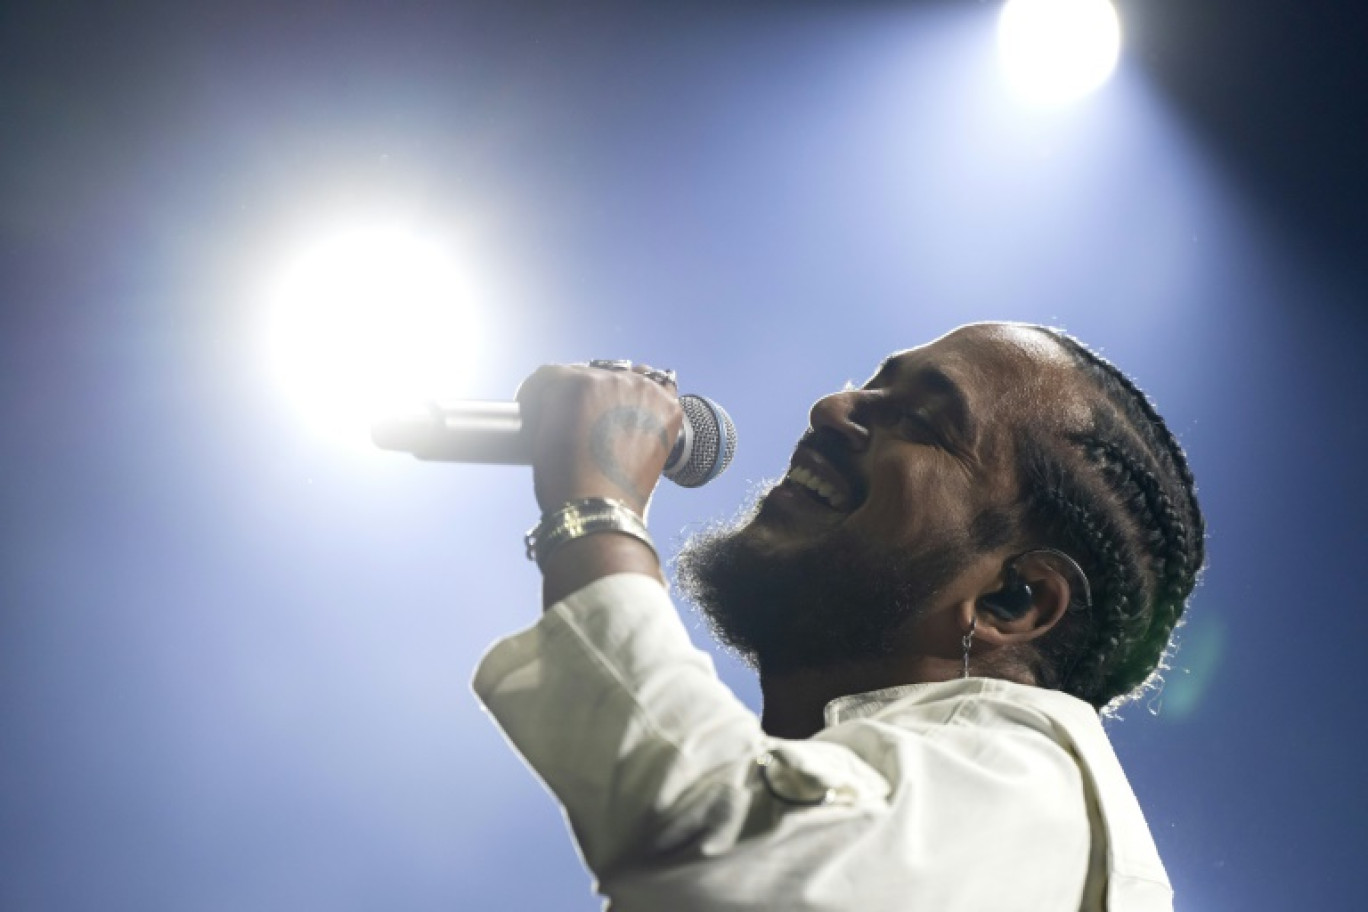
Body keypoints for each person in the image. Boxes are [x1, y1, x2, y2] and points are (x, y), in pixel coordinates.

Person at [473, 322, 1205, 911]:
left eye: (919, 420)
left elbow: (723, 854)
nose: (832, 409)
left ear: (1014, 601)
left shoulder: (1031, 791)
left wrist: (596, 512)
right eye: (866, 387)